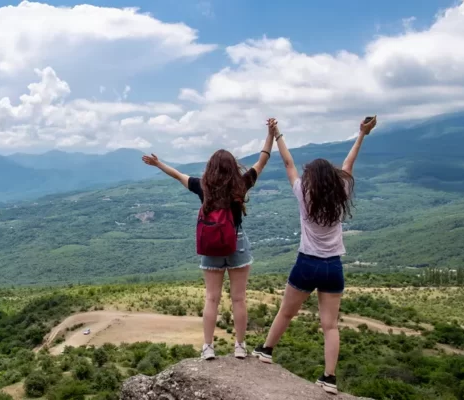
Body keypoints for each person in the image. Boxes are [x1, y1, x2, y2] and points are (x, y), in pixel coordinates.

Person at [252, 116, 377, 395]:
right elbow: (348, 165)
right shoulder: (341, 192)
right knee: (330, 326)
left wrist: (277, 133)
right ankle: (329, 378)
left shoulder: (303, 193)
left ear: (311, 179)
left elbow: (288, 164)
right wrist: (361, 134)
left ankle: (266, 350)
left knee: (286, 312)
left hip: (307, 263)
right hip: (333, 266)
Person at [142, 126, 275, 360]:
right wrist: (271, 135)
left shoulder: (203, 186)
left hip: (211, 245)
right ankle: (240, 346)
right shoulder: (240, 184)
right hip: (237, 243)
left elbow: (178, 175)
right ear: (233, 167)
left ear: (211, 168)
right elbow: (262, 161)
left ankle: (208, 347)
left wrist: (158, 164)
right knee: (239, 298)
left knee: (212, 298)